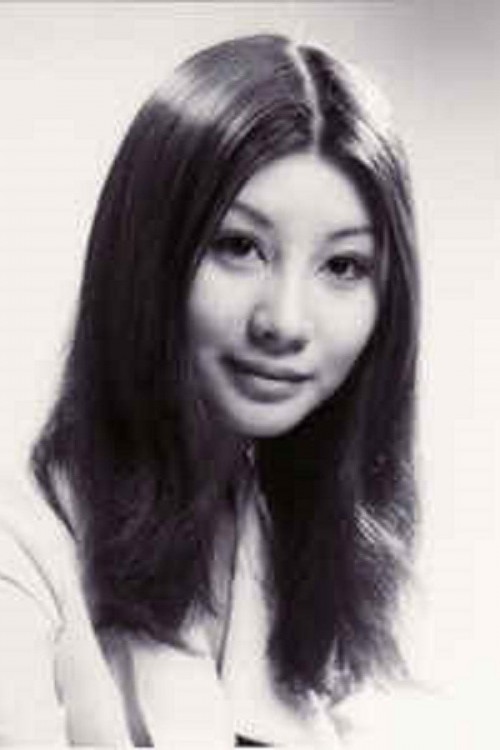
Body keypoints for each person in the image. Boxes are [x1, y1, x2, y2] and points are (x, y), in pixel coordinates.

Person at [0, 33, 419, 746]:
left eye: (343, 266)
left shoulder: (297, 548)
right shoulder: (22, 551)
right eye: (239, 247)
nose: (285, 321)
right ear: (146, 256)